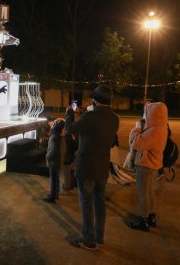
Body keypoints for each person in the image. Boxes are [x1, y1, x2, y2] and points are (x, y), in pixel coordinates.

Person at [65, 85, 119, 250]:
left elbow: (70, 129)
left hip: (87, 167)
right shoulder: (114, 118)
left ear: (95, 100)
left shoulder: (90, 116)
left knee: (87, 203)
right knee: (99, 203)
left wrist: (69, 114)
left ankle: (88, 240)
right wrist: (83, 116)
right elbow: (98, 131)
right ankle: (99, 237)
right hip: (102, 166)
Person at [127, 102, 168, 231]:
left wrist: (137, 127)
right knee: (149, 192)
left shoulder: (153, 131)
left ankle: (143, 220)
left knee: (143, 193)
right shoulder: (162, 127)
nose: (145, 116)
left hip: (145, 165)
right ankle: (151, 216)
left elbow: (134, 142)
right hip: (154, 165)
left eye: (147, 113)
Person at [60, 100, 81, 195]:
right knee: (72, 169)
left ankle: (67, 187)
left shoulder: (70, 127)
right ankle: (72, 184)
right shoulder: (77, 124)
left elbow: (70, 137)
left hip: (70, 152)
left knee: (66, 169)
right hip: (75, 151)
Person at [43, 119, 65, 203]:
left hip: (53, 162)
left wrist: (47, 157)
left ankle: (52, 196)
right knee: (56, 178)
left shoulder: (54, 137)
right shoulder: (58, 136)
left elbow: (53, 151)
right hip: (57, 161)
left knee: (53, 179)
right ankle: (55, 194)